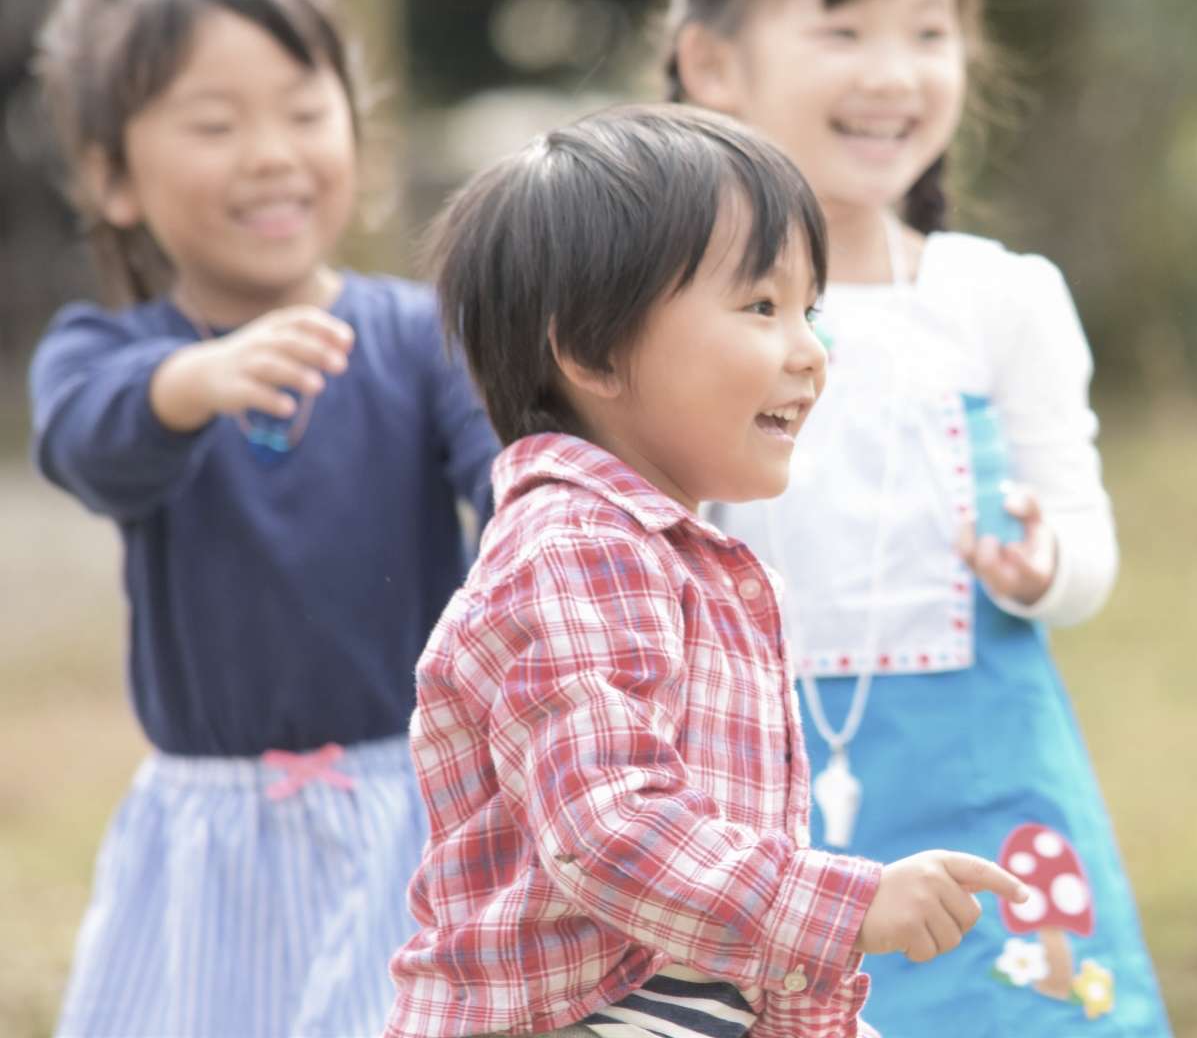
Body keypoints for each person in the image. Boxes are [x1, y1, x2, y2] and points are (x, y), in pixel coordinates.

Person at [662, 0, 1173, 1034]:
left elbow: (1089, 549)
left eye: (930, 31)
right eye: (843, 30)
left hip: (985, 792)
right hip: (742, 791)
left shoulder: (1001, 300)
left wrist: (1046, 564)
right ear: (714, 63)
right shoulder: (662, 313)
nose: (894, 72)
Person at [387, 102, 1028, 1038]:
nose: (811, 351)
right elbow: (609, 833)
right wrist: (846, 908)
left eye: (811, 310)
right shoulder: (576, 549)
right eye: (762, 307)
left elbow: (709, 924)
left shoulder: (671, 555)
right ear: (594, 352)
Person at [27, 0, 500, 1037]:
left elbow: (515, 474)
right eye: (214, 123)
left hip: (414, 817)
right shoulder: (105, 351)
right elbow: (88, 440)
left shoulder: (421, 334)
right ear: (112, 175)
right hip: (214, 838)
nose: (271, 152)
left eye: (302, 109)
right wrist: (190, 380)